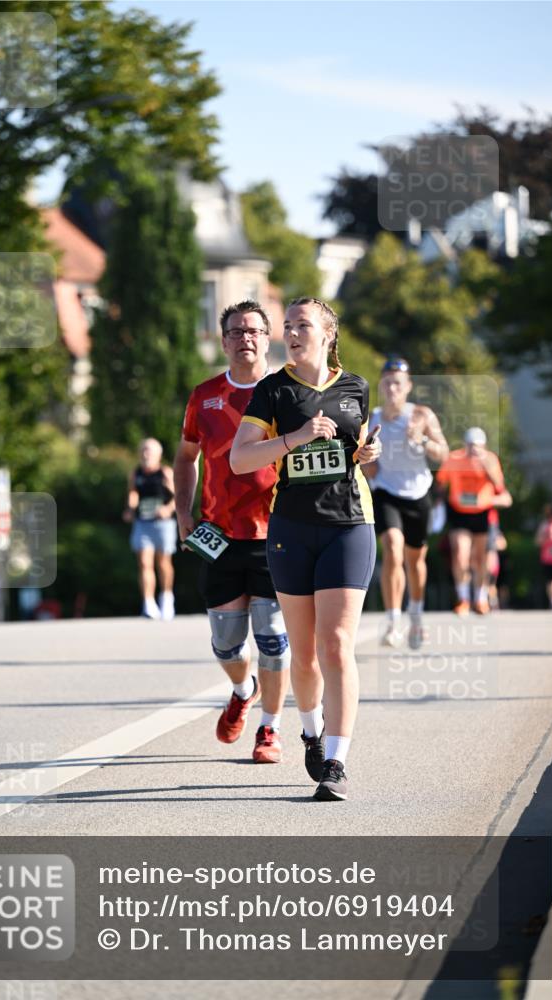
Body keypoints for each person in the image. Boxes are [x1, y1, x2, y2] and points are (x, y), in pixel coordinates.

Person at [230, 297, 381, 801]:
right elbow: (239, 459)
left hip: (349, 524)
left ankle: (336, 760)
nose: (292, 334)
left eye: (303, 325)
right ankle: (312, 731)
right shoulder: (273, 390)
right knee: (305, 653)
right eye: (288, 325)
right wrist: (294, 437)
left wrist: (368, 453)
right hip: (292, 528)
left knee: (336, 644)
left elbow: (359, 455)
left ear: (327, 334)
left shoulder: (356, 387)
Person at [174, 300, 290, 764]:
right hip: (218, 535)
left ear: (267, 339)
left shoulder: (285, 392)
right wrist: (183, 512)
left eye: (254, 331)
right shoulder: (204, 396)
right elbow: (186, 457)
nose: (246, 338)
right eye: (237, 331)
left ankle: (270, 728)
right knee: (226, 644)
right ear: (223, 342)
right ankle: (244, 690)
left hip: (276, 532)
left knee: (273, 639)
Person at [363, 358, 448, 649]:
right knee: (392, 548)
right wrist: (367, 463)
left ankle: (416, 617)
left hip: (418, 494)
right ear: (381, 385)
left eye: (398, 383)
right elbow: (362, 461)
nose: (392, 388)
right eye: (387, 382)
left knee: (415, 561)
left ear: (408, 386)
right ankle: (392, 621)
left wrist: (422, 440)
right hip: (386, 492)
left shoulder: (421, 415)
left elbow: (443, 454)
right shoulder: (371, 418)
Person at [436, 427, 512, 615]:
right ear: (465, 445)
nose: (474, 450)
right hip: (459, 513)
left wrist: (487, 469)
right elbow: (440, 483)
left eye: (478, 446)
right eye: (471, 445)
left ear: (484, 446)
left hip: (483, 514)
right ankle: (463, 598)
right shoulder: (454, 459)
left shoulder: (491, 459)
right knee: (460, 554)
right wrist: (439, 504)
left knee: (482, 558)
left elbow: (500, 487)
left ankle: (480, 598)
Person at [123, 438, 177, 620]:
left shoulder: (165, 473)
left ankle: (167, 599)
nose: (146, 454)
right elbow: (133, 493)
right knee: (144, 563)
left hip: (163, 524)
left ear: (158, 455)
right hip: (143, 522)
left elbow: (178, 497)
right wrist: (130, 509)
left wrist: (167, 509)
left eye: (149, 451)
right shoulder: (136, 473)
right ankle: (148, 603)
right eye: (143, 450)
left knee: (163, 563)